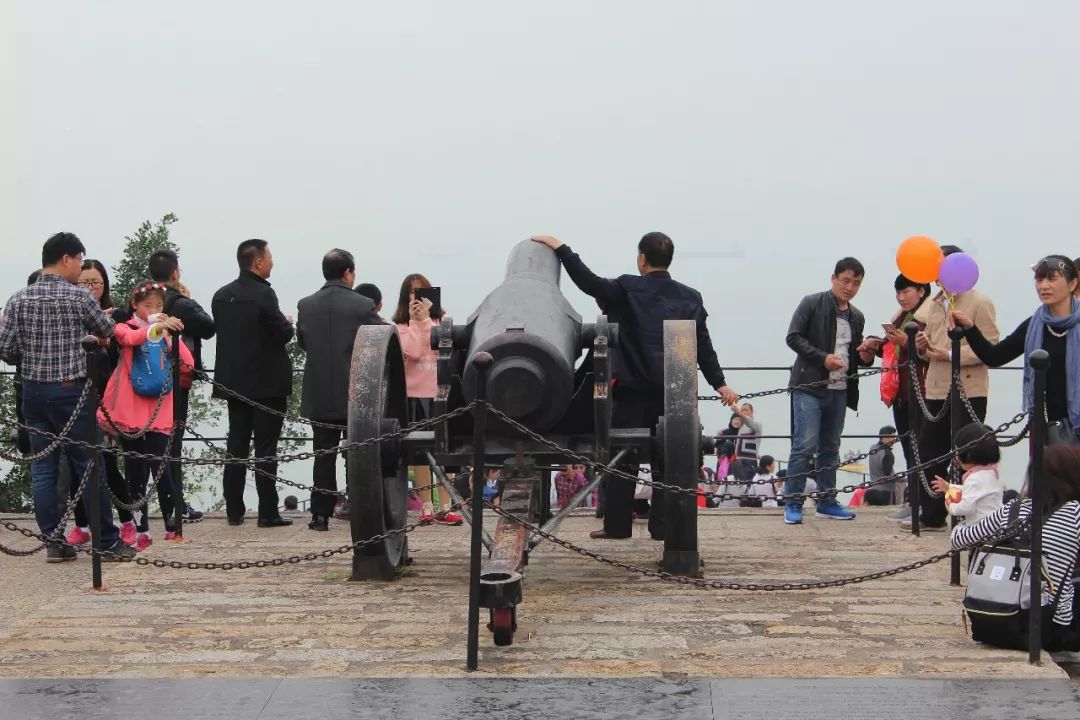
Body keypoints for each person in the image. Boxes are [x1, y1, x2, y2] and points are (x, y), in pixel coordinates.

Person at [531, 232, 738, 541]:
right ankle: (662, 526)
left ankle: (617, 525)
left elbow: (590, 283)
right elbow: (703, 346)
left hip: (630, 389)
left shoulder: (628, 287)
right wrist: (720, 383)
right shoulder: (690, 297)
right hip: (674, 392)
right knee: (667, 461)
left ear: (642, 258)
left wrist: (562, 250)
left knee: (621, 456)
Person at [0, 233, 135, 561]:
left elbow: (6, 350)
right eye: (78, 260)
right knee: (89, 464)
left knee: (43, 468)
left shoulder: (18, 299)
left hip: (32, 391)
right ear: (66, 259)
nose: (79, 268)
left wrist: (30, 354)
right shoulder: (79, 298)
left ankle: (54, 542)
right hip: (71, 390)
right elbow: (106, 330)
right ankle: (106, 540)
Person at [951, 445, 1080, 652]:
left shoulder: (1012, 509)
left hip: (998, 619)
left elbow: (958, 540)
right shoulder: (1075, 512)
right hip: (1050, 629)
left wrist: (968, 518)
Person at [97, 282, 193, 551]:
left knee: (163, 471)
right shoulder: (124, 326)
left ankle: (172, 524)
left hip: (158, 412)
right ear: (135, 305)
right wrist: (155, 328)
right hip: (130, 412)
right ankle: (141, 530)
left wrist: (173, 335)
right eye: (148, 305)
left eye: (159, 306)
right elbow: (129, 340)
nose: (154, 310)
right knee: (134, 474)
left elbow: (187, 362)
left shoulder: (165, 333)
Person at [782, 257, 877, 525]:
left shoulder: (856, 316)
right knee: (804, 446)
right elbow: (793, 337)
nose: (850, 287)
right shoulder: (811, 302)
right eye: (845, 281)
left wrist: (867, 354)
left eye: (856, 283)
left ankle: (826, 501)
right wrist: (822, 358)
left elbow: (856, 357)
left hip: (841, 389)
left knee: (830, 448)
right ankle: (793, 502)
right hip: (809, 386)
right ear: (833, 278)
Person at [912, 245, 999, 530]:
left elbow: (990, 348)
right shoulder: (935, 302)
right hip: (936, 388)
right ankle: (934, 513)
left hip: (969, 388)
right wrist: (923, 349)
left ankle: (968, 512)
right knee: (929, 451)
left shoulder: (979, 302)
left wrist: (949, 355)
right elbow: (933, 345)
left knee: (967, 455)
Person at [296, 249, 382, 531]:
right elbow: (375, 345)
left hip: (319, 389)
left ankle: (319, 515)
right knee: (356, 451)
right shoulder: (363, 304)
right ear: (348, 273)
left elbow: (304, 342)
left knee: (323, 453)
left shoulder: (306, 305)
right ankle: (356, 507)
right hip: (355, 389)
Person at [211, 239, 294, 528]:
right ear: (258, 262)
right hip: (267, 383)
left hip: (235, 383)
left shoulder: (221, 296)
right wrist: (288, 323)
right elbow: (282, 334)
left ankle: (234, 510)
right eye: (269, 257)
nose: (272, 262)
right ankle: (268, 511)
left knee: (236, 445)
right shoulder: (264, 295)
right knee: (266, 448)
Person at [951, 255, 1078, 435]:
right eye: (1039, 279)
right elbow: (994, 357)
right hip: (1049, 427)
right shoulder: (1034, 326)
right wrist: (970, 328)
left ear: (1072, 284)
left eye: (1052, 278)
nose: (1044, 286)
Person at [62, 260, 137, 547]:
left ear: (104, 285)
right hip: (75, 396)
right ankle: (82, 524)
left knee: (107, 462)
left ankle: (127, 521)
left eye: (96, 282)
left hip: (106, 398)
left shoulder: (115, 316)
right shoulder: (70, 313)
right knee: (75, 466)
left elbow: (123, 354)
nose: (90, 288)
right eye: (84, 282)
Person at [148, 248, 216, 522]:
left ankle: (167, 502)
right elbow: (209, 328)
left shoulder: (146, 301)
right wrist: (189, 299)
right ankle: (175, 503)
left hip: (148, 380)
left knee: (154, 441)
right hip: (177, 380)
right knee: (172, 443)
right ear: (175, 272)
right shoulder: (180, 303)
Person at [393, 273, 463, 526]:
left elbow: (444, 349)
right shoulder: (400, 326)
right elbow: (411, 352)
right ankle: (426, 506)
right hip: (415, 395)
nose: (418, 298)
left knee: (446, 450)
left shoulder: (443, 322)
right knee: (420, 454)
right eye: (413, 293)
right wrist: (416, 322)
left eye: (423, 292)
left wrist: (428, 322)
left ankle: (447, 505)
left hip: (441, 393)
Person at [877, 274, 931, 521]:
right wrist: (876, 345)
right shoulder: (900, 317)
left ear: (921, 291)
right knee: (910, 448)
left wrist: (906, 343)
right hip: (902, 390)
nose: (901, 297)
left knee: (924, 449)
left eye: (906, 291)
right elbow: (896, 352)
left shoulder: (930, 315)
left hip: (924, 390)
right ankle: (913, 501)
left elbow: (931, 353)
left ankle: (924, 503)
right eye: (898, 292)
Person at [930, 422, 1003, 527]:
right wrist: (949, 487)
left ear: (968, 455)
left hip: (980, 528)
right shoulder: (992, 472)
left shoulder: (974, 479)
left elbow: (966, 508)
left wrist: (950, 504)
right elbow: (973, 490)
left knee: (956, 534)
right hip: (994, 526)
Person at [863, 425, 899, 507]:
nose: (894, 440)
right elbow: (888, 474)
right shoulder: (888, 454)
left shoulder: (872, 448)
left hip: (871, 491)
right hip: (885, 493)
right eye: (892, 437)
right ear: (885, 437)